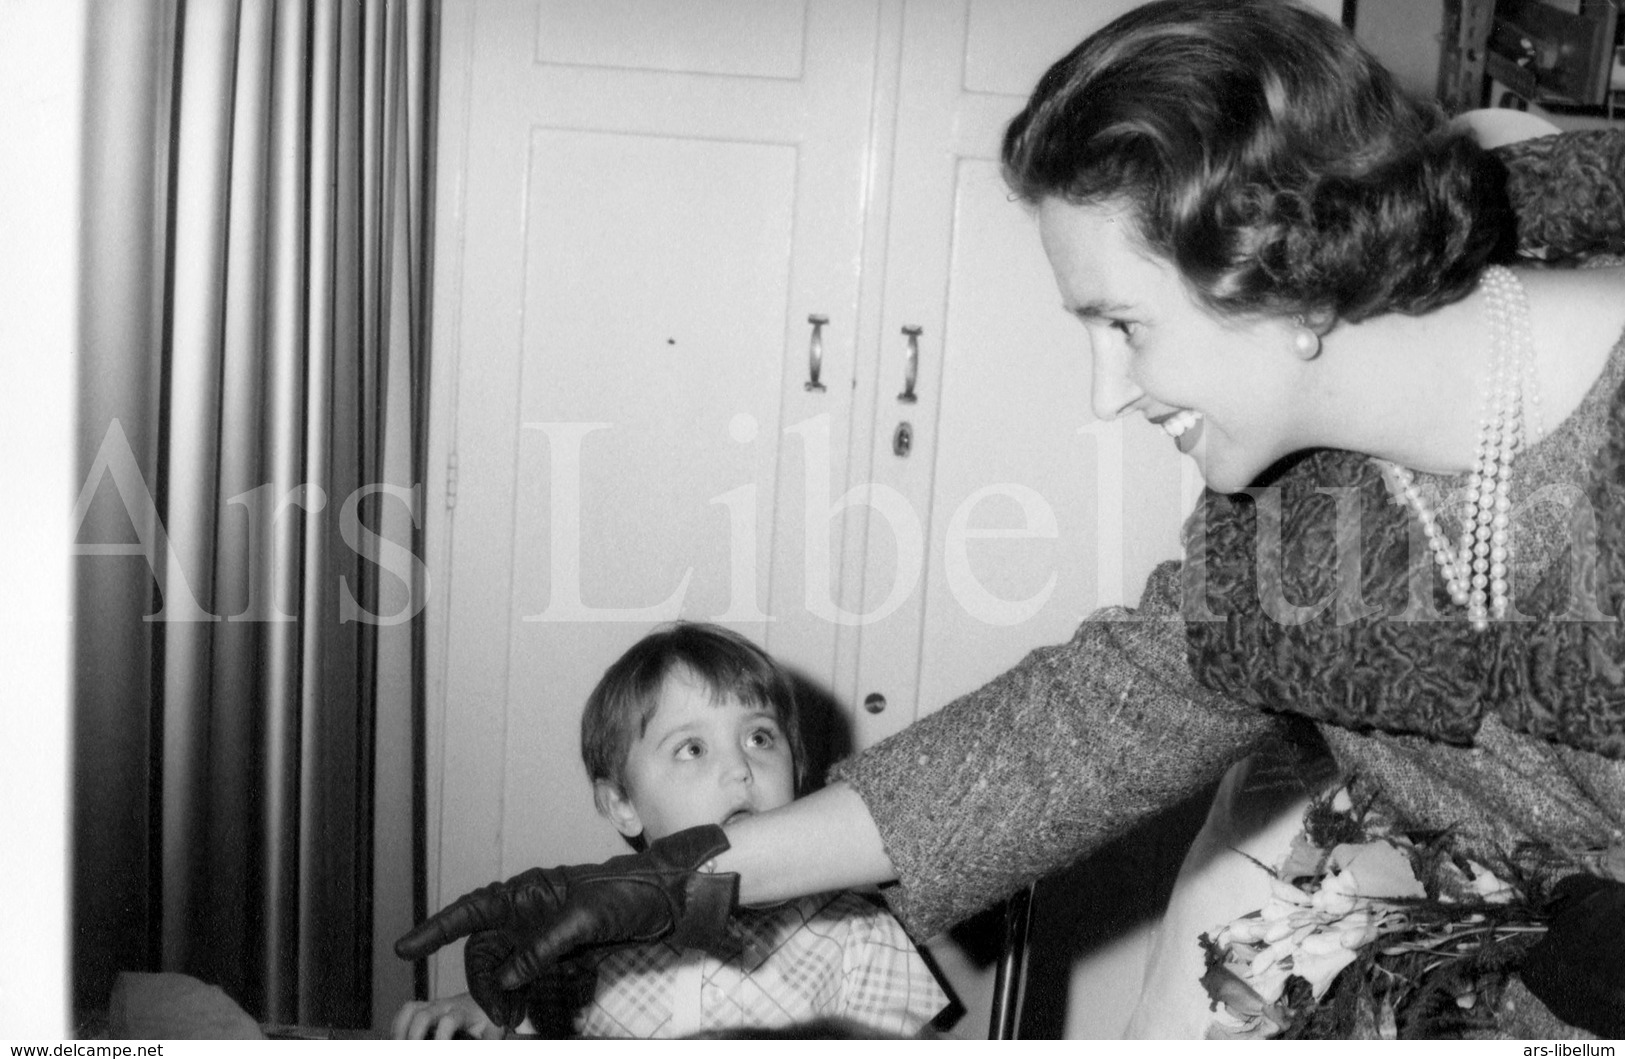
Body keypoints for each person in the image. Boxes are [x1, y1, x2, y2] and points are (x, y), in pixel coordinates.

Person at [396, 0, 1625, 1038]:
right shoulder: (1291, 517)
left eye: (1121, 325)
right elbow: (1069, 733)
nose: (1105, 393)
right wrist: (679, 881)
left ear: (1286, 266)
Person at [392, 622, 948, 1039]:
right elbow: (528, 1023)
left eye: (760, 738)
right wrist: (481, 1015)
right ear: (622, 804)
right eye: (693, 748)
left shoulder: (860, 933)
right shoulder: (591, 941)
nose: (740, 768)